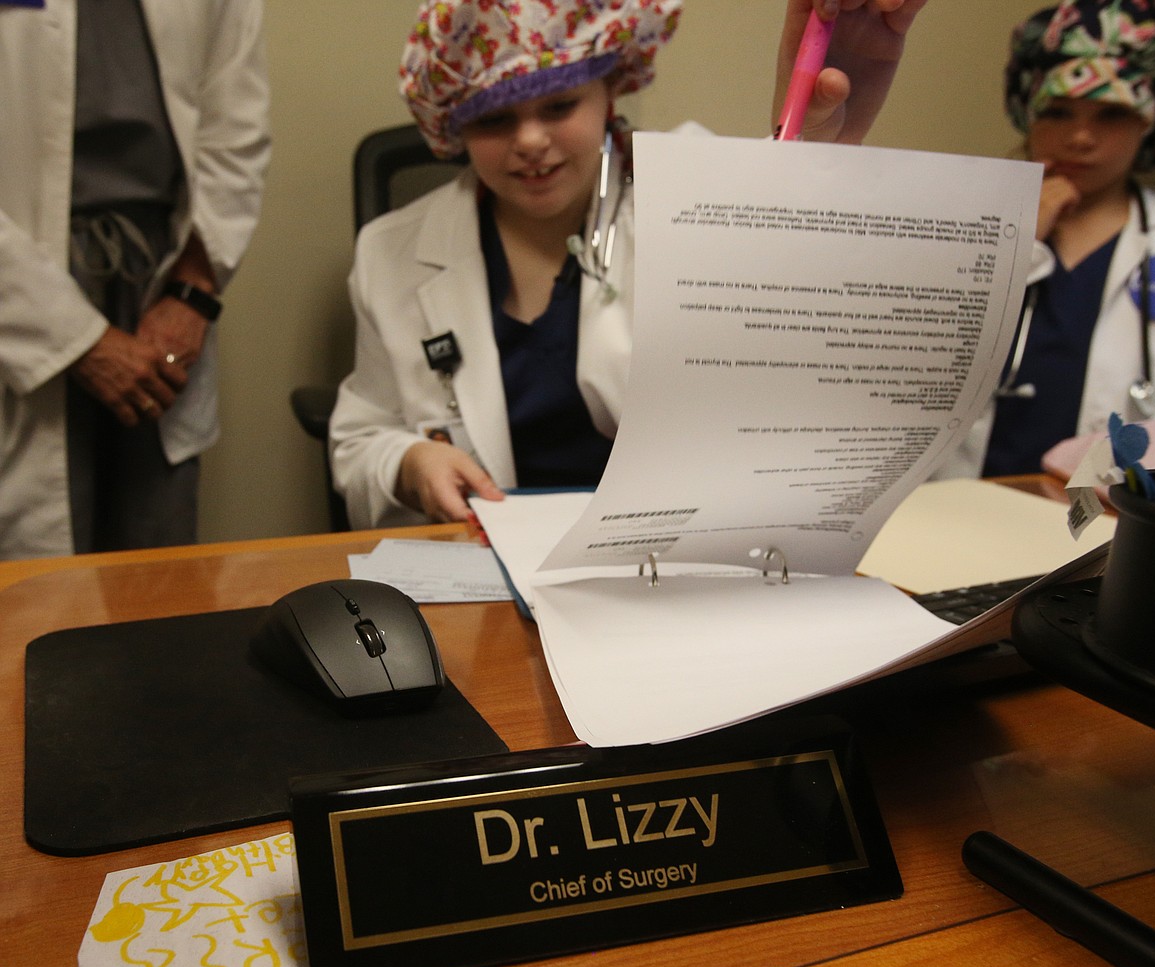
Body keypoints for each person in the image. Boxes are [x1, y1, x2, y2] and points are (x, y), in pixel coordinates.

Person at [330, 0, 930, 528]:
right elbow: (359, 439)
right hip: (490, 568)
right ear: (454, 126)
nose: (531, 140)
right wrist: (407, 462)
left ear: (610, 90)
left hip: (667, 558)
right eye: (494, 119)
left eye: (560, 105)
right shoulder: (392, 253)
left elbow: (795, 286)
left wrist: (813, 153)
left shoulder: (693, 193)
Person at [0, 0, 270, 559]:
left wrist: (190, 296)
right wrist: (79, 340)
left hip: (161, 288)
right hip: (19, 290)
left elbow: (236, 131)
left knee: (155, 579)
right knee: (31, 599)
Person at [940, 0, 1155, 480]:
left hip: (1109, 518)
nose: (1081, 137)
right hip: (958, 503)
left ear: (1147, 124)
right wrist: (1019, 238)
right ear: (1029, 115)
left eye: (1111, 114)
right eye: (1059, 112)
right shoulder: (963, 225)